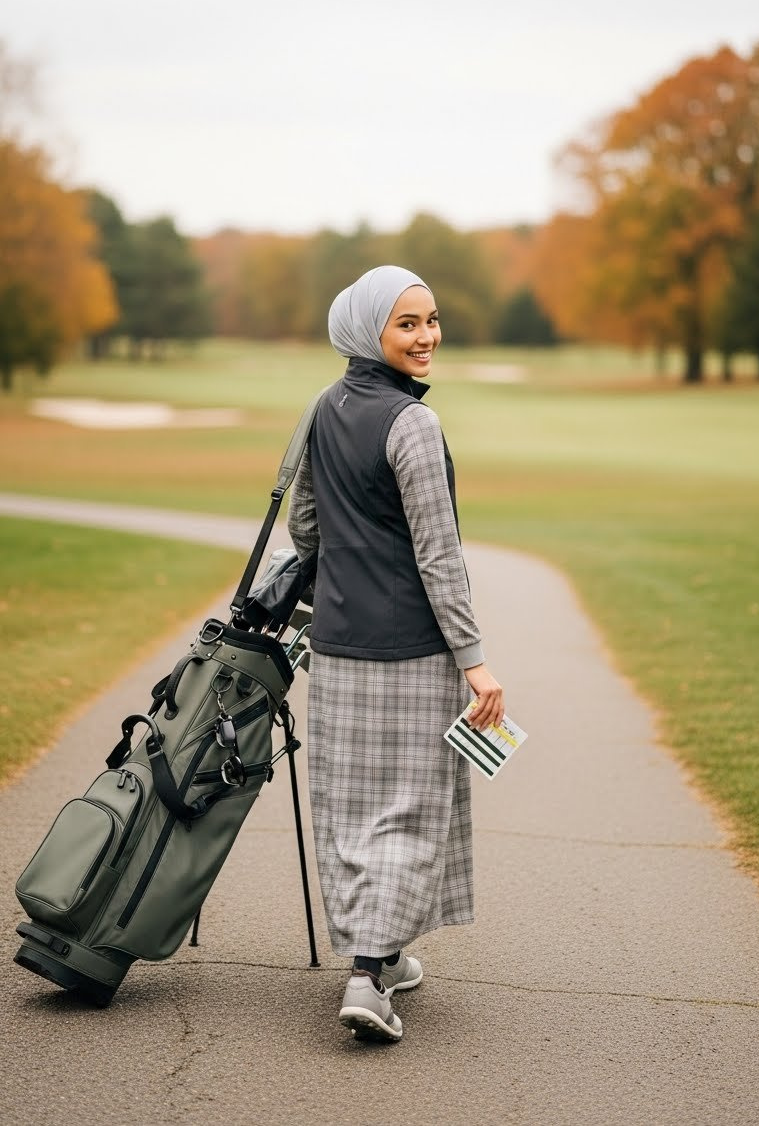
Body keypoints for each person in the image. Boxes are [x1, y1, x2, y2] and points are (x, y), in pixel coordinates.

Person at [287, 265, 504, 1042]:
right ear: (369, 328)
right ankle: (369, 977)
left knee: (354, 813)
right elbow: (439, 555)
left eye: (432, 319)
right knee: (409, 811)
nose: (427, 336)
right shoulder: (413, 425)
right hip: (413, 654)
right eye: (407, 323)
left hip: (338, 650)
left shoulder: (322, 408)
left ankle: (385, 951)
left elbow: (305, 528)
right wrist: (474, 659)